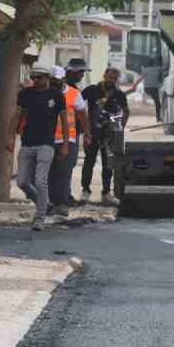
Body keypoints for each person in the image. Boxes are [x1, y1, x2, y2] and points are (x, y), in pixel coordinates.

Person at [8, 66, 71, 230]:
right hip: (27, 143)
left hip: (46, 144)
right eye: (33, 77)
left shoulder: (57, 96)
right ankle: (45, 204)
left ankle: (40, 218)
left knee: (40, 181)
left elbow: (64, 121)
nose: (35, 80)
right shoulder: (25, 94)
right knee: (21, 181)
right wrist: (10, 138)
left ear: (47, 78)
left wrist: (65, 144)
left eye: (39, 77)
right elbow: (17, 115)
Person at [81, 67, 129, 202]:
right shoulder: (92, 90)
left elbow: (126, 111)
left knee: (107, 163)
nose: (111, 80)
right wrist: (84, 126)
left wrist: (120, 127)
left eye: (114, 78)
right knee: (89, 161)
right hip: (92, 132)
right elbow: (78, 104)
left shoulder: (119, 94)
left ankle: (106, 192)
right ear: (104, 76)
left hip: (109, 134)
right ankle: (85, 190)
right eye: (109, 77)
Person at [48, 58, 90, 213]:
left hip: (68, 138)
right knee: (50, 173)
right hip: (47, 139)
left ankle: (61, 202)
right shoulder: (45, 91)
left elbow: (83, 115)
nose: (81, 75)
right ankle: (52, 202)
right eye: (79, 72)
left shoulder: (73, 92)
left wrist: (86, 133)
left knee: (64, 172)